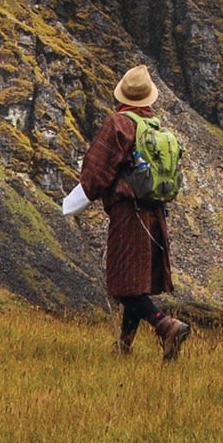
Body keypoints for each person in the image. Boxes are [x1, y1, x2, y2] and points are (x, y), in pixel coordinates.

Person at [79, 64, 191, 360]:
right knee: (135, 281)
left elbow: (94, 173)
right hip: (155, 215)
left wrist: (83, 196)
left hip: (129, 214)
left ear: (123, 96)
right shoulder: (156, 129)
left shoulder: (118, 124)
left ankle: (165, 325)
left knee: (123, 284)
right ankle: (124, 345)